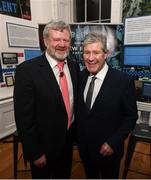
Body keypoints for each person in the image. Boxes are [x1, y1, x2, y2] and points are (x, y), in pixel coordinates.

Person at [14, 20, 79, 179]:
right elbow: (24, 119)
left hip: (67, 141)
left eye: (66, 40)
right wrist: (35, 153)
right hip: (43, 147)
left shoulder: (73, 66)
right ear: (45, 41)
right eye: (57, 39)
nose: (62, 44)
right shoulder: (27, 71)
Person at [76, 32, 138, 179]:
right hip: (85, 149)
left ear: (106, 54)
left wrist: (113, 142)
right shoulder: (80, 77)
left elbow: (131, 116)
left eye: (96, 52)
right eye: (87, 52)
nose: (91, 58)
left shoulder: (123, 81)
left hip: (109, 150)